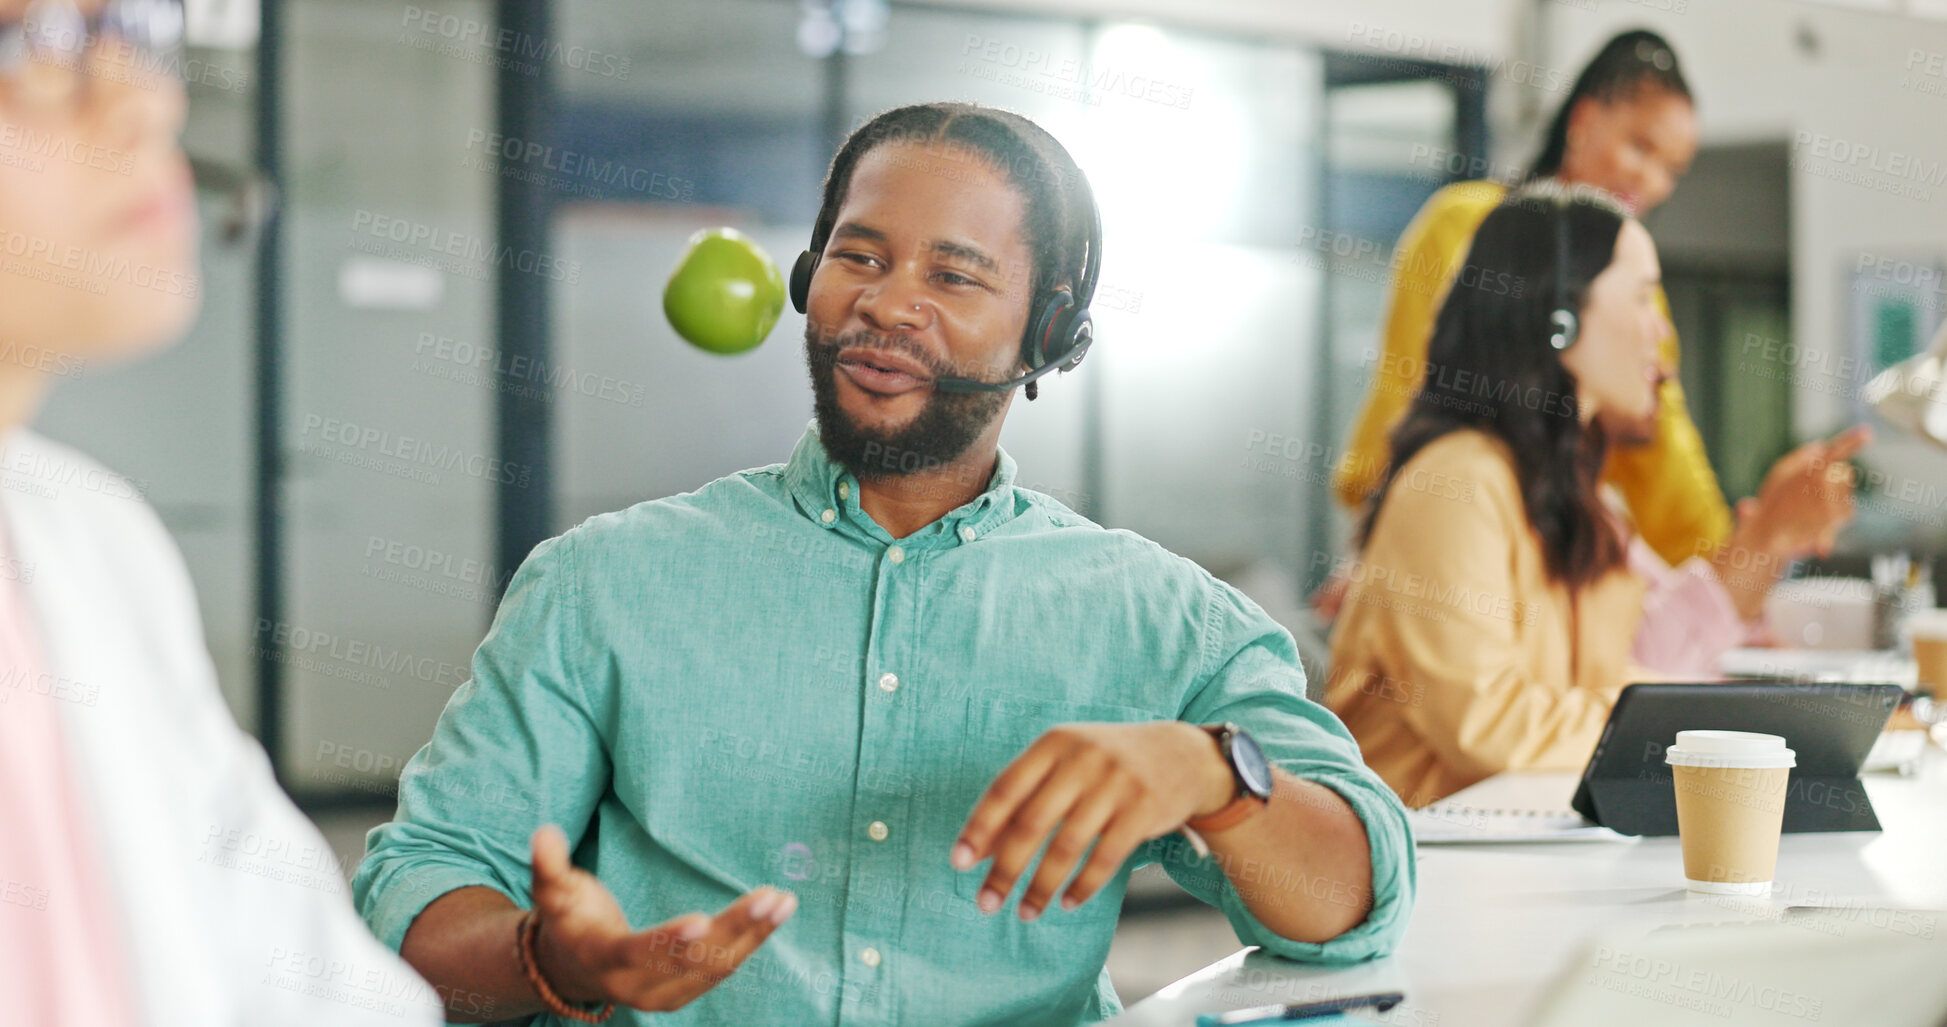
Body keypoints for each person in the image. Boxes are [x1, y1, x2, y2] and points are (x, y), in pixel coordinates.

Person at [354, 101, 1414, 1025]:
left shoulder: (1164, 618)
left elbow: (1357, 913)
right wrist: (551, 958)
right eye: (859, 257)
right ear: (810, 279)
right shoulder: (600, 583)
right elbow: (412, 897)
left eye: (955, 275)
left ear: (1049, 331)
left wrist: (1215, 774)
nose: (888, 303)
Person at [0, 1, 439, 1023]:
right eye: (36, 44)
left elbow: (306, 981)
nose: (149, 100)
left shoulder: (91, 547)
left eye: (125, 27)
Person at [1322, 184, 1858, 808]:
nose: (1660, 330)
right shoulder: (1458, 482)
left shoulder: (1569, 491)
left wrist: (1740, 716)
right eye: (1641, 298)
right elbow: (1488, 725)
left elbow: (1600, 680)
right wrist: (1686, 726)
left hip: (1522, 853)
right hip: (1432, 869)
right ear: (1560, 319)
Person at [1330, 28, 1860, 577]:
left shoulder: (1639, 292)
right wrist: (1383, 544)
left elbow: (1665, 458)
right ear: (1582, 122)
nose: (1650, 182)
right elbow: (1406, 393)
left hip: (1558, 561)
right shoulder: (1465, 226)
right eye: (1640, 146)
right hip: (1445, 548)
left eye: (1673, 170)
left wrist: (1743, 554)